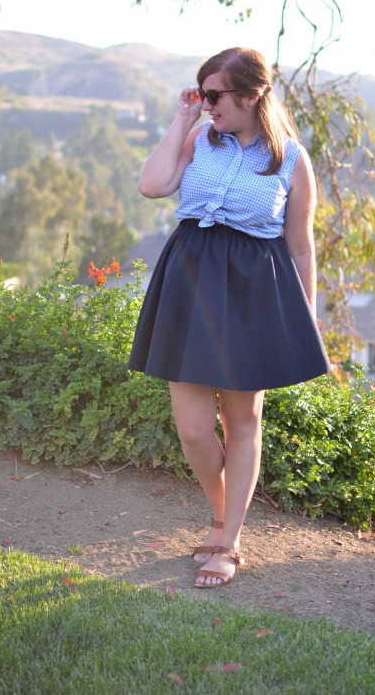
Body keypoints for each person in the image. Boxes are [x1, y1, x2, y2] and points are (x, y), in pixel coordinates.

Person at [129, 47, 331, 588]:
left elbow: (301, 247)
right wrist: (182, 120)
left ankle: (229, 538)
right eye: (204, 93)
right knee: (194, 429)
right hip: (190, 284)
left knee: (242, 422)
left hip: (251, 293)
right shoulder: (200, 139)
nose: (207, 103)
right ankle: (222, 515)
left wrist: (304, 317)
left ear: (251, 94)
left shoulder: (290, 158)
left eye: (214, 95)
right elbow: (152, 184)